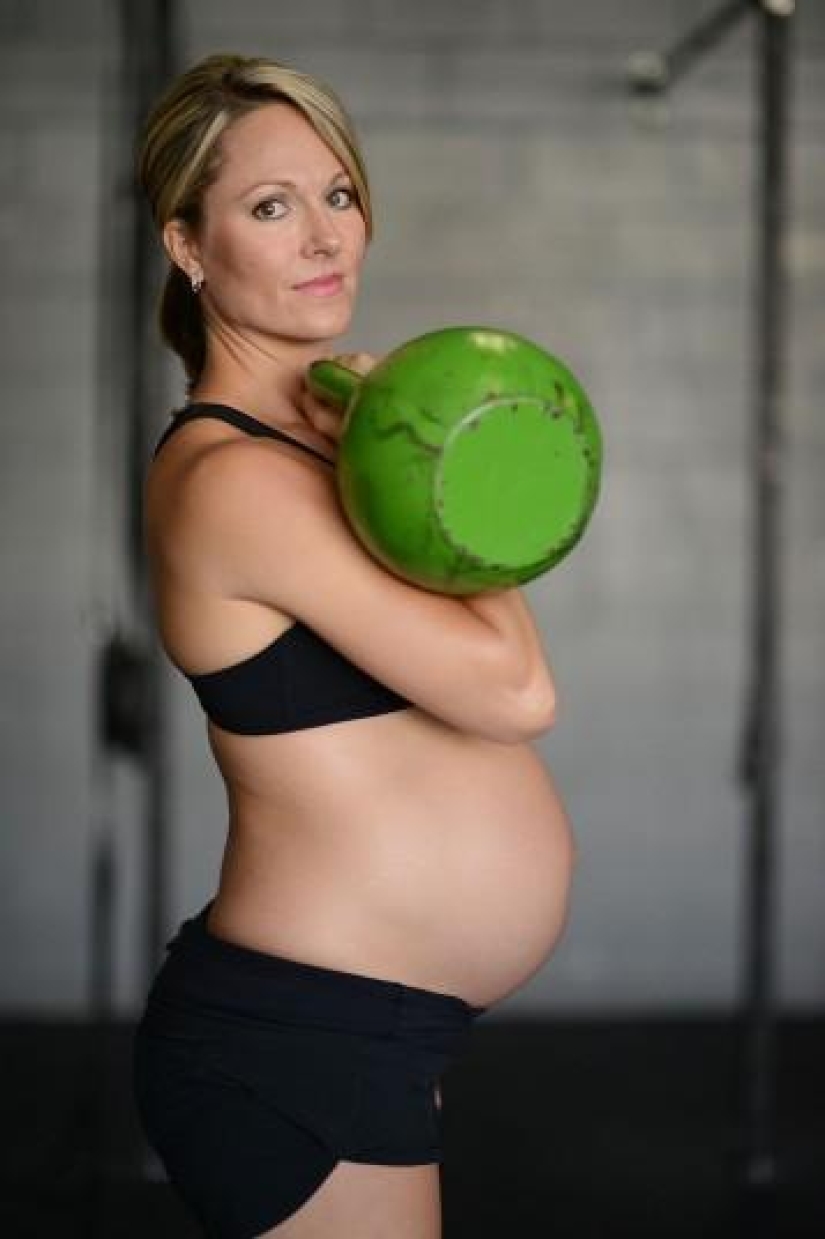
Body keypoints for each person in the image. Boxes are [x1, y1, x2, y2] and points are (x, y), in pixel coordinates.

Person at [133, 52, 575, 1239]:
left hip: (373, 1022)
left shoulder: (324, 451)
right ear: (189, 246)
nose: (325, 235)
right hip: (297, 1043)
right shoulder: (233, 480)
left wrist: (395, 444)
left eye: (338, 193)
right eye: (271, 208)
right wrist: (434, 460)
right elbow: (517, 692)